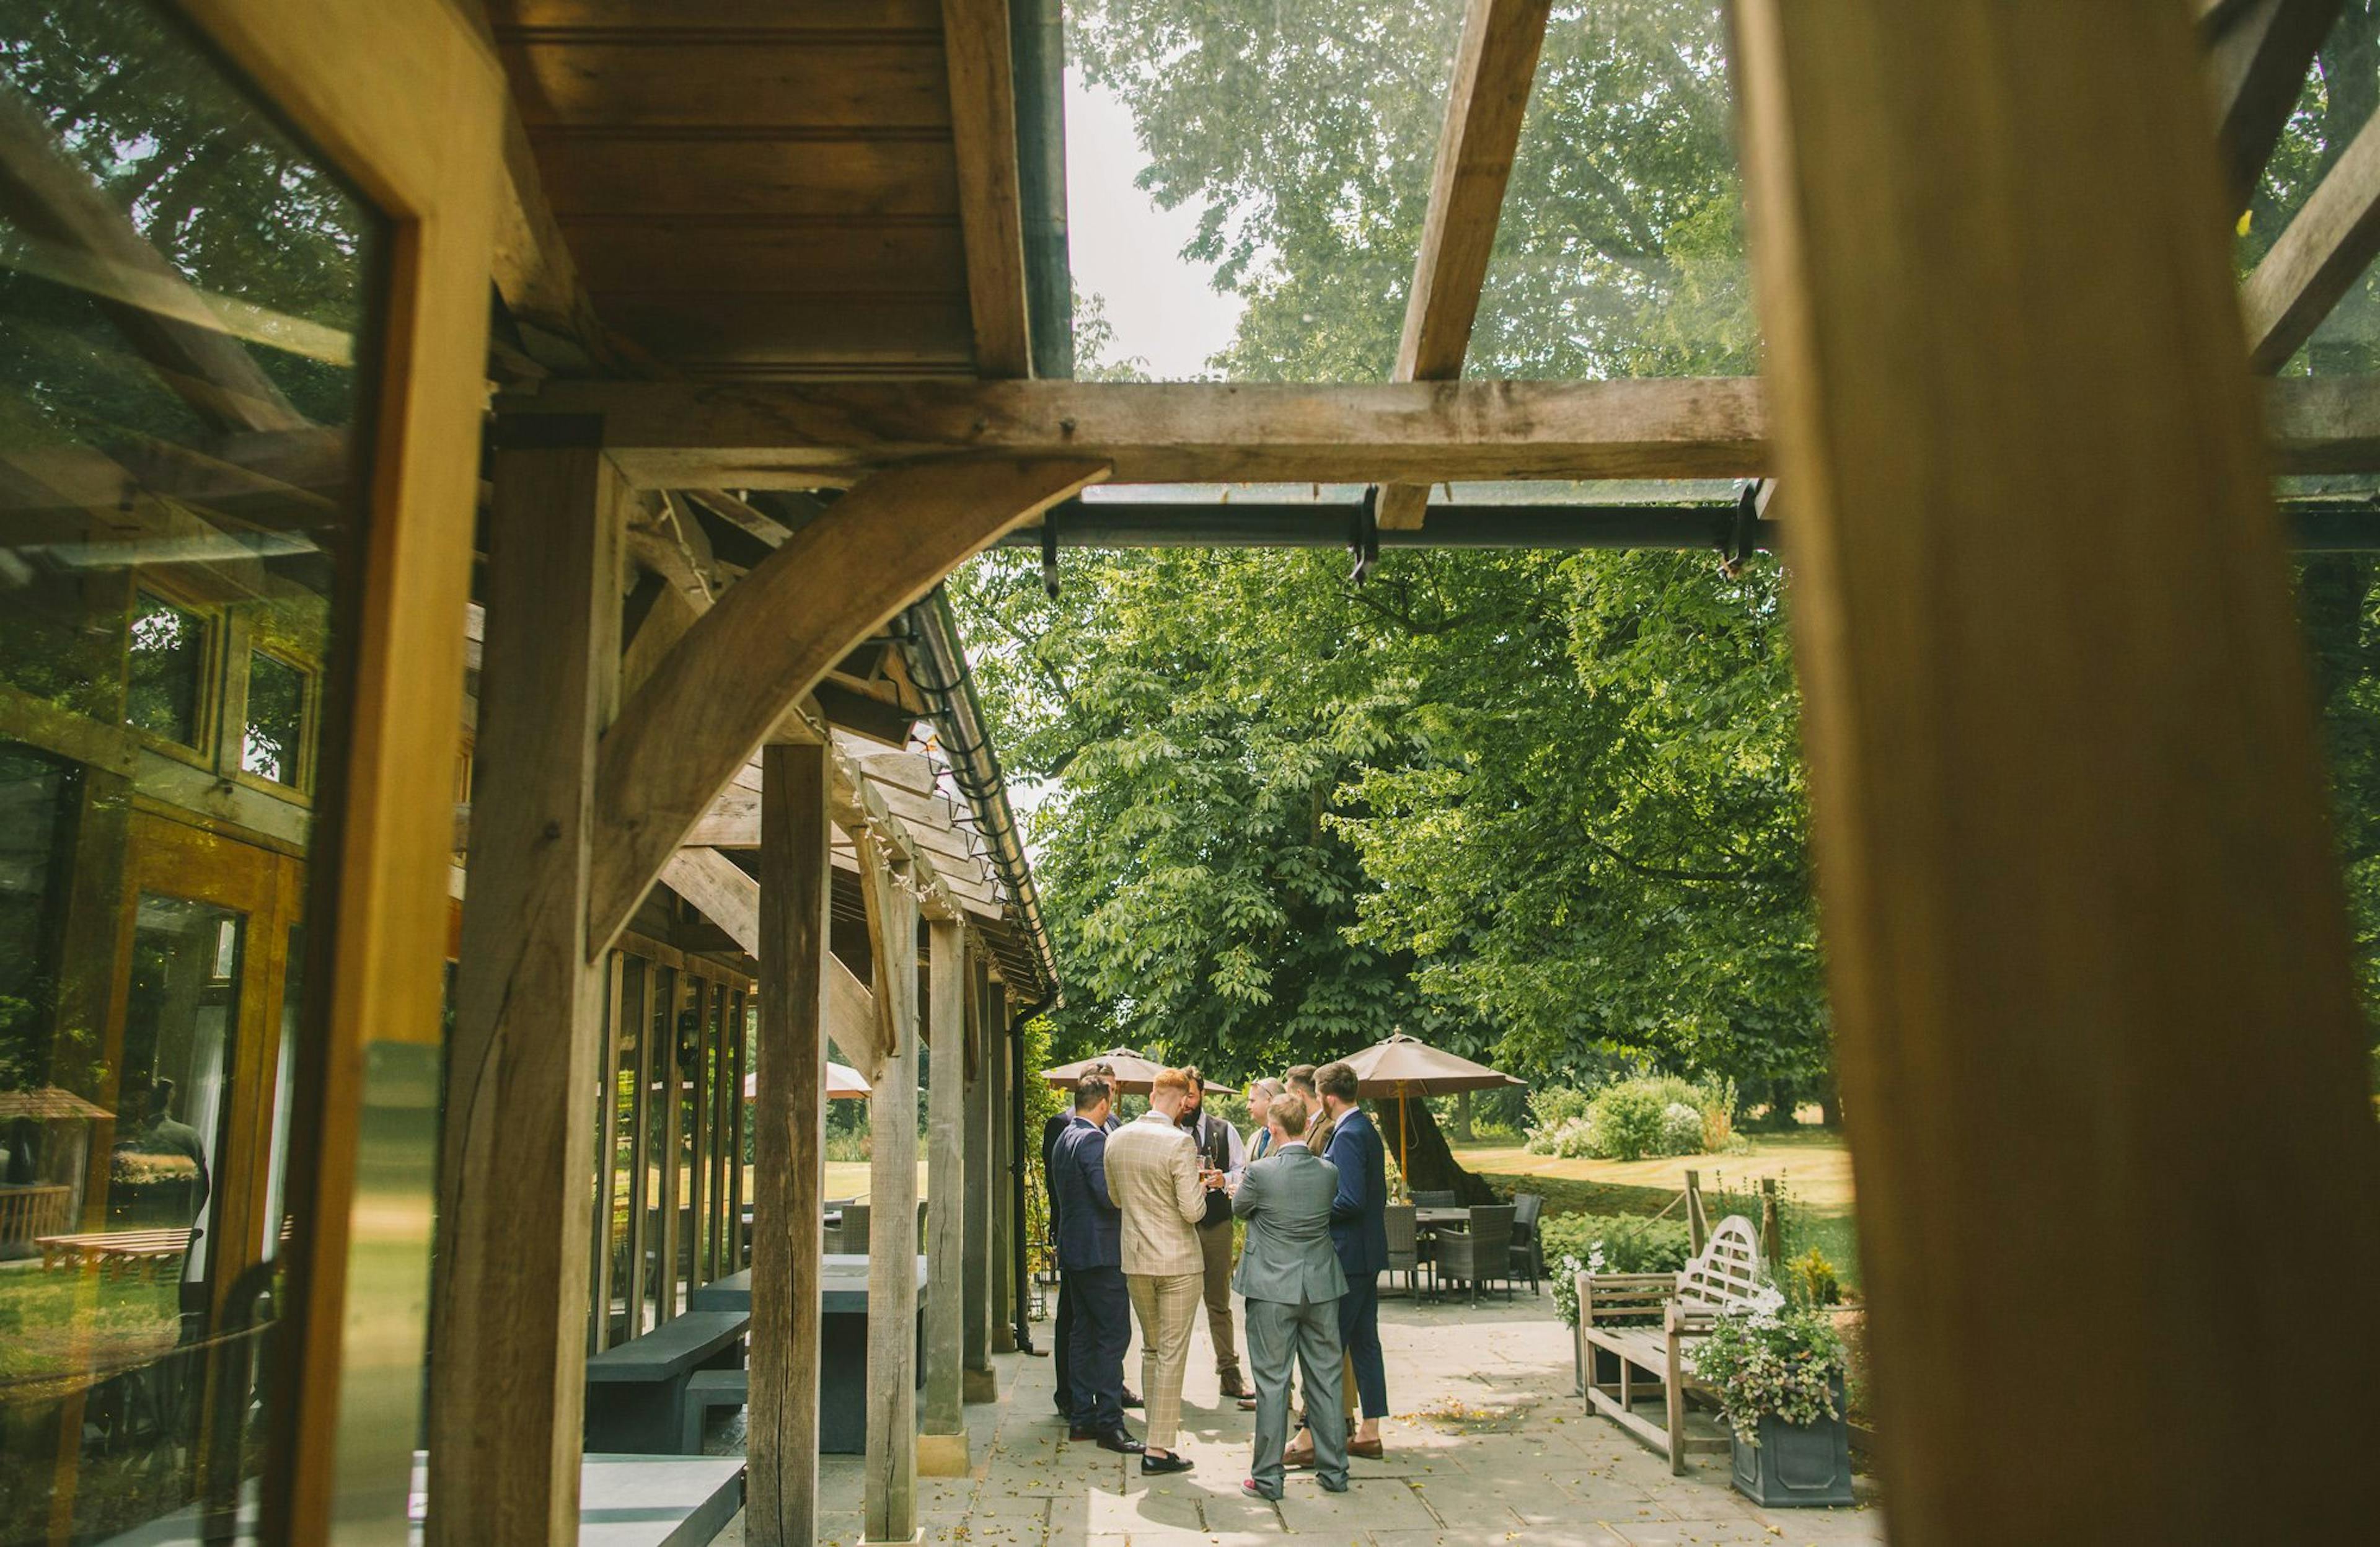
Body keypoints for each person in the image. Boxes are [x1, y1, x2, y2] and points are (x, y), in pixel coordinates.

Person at [1229, 1088, 1350, 1501]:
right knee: (1327, 1379)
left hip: (1271, 1286)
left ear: (1273, 1127)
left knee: (1272, 1382)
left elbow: (1240, 1209)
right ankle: (1335, 1472)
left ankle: (1268, 1478)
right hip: (1321, 1285)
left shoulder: (1262, 1172)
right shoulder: (1328, 1172)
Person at [1101, 1066, 1209, 1475]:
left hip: (1137, 1258)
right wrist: (1199, 1185)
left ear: (1151, 1096)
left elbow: (1114, 1198)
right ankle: (1159, 1449)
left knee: (1150, 1348)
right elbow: (1193, 1210)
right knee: (1172, 1352)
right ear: (1182, 1102)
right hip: (1178, 1261)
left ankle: (1153, 1438)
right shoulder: (1180, 1143)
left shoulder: (1117, 1138)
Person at [1300, 1060, 1390, 1462]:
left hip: (1350, 1256)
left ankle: (1308, 1437)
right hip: (1366, 1254)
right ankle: (1369, 1432)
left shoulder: (1350, 1134)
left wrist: (1312, 1209)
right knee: (1365, 1342)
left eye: (1319, 1096)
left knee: (1326, 1344)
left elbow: (1350, 1200)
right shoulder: (1362, 1127)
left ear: (1328, 1097)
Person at [1049, 1075, 1142, 1453]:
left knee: (1083, 1335)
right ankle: (1109, 1424)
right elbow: (1107, 1197)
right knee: (1112, 1336)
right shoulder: (1093, 1140)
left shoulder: (1065, 1136)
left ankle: (1082, 1420)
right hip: (1100, 1252)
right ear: (1104, 1104)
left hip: (1076, 1249)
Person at [1176, 1068, 1253, 1401]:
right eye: (1182, 1096)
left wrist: (1225, 1179)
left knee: (1219, 1301)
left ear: (1202, 1094)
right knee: (1177, 1304)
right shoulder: (1169, 1129)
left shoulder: (1225, 1130)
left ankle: (1229, 1370)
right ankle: (1172, 1376)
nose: (1186, 1103)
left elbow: (1242, 1168)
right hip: (1179, 1227)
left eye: (1191, 1095)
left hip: (1217, 1225)